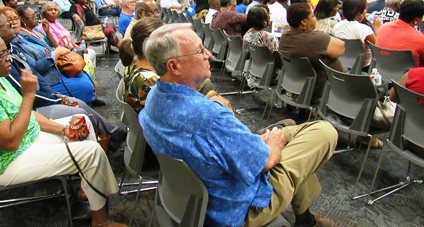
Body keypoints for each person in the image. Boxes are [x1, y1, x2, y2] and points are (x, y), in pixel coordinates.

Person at [139, 23, 338, 227]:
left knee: (293, 136)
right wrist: (272, 147)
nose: (208, 54)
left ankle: (305, 217)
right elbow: (267, 162)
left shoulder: (154, 96)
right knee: (324, 131)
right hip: (239, 208)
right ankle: (305, 218)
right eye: (200, 51)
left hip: (196, 197)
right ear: (174, 66)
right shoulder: (209, 117)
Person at [0, 25, 127, 227]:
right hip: (5, 162)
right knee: (91, 152)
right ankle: (101, 221)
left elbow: (28, 115)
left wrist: (64, 129)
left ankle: (87, 187)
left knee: (83, 121)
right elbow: (10, 141)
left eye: (7, 51)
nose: (9, 57)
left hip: (26, 142)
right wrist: (28, 95)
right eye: (1, 55)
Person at [0, 8, 127, 150]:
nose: (13, 24)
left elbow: (35, 75)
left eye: (14, 20)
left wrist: (55, 96)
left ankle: (113, 134)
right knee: (80, 111)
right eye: (8, 23)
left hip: (39, 98)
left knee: (79, 103)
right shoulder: (0, 63)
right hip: (33, 107)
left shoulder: (12, 49)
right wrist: (56, 100)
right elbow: (26, 92)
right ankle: (102, 143)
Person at [279, 3, 345, 102]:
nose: (315, 19)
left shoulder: (285, 36)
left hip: (294, 86)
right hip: (318, 90)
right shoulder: (314, 39)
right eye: (313, 16)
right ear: (304, 21)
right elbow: (341, 48)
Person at [37, 1, 97, 67]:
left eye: (55, 10)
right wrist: (75, 50)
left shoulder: (56, 22)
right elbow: (55, 46)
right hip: (61, 53)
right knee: (88, 56)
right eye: (49, 10)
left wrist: (77, 47)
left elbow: (67, 37)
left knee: (91, 52)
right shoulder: (45, 26)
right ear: (44, 12)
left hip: (70, 48)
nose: (53, 12)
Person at [332, 0, 381, 71]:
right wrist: (376, 28)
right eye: (364, 9)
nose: (366, 11)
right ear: (358, 14)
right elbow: (377, 47)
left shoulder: (337, 25)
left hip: (342, 63)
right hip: (363, 67)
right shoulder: (363, 29)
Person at [376, 0, 424, 67]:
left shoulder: (383, 28)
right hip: (408, 76)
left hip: (382, 72)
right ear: (416, 20)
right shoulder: (420, 39)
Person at [243, 5, 275, 88]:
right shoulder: (269, 37)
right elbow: (276, 56)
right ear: (264, 20)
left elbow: (245, 50)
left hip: (251, 71)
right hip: (268, 74)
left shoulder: (247, 34)